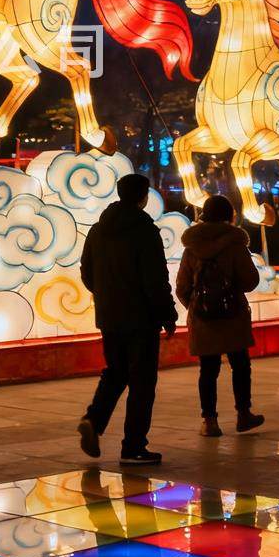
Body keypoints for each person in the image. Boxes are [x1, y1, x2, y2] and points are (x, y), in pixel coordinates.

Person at [77, 172, 178, 465]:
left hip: (109, 316)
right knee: (142, 382)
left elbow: (87, 271)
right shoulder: (145, 230)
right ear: (143, 197)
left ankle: (94, 421)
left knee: (116, 371)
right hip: (141, 318)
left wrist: (106, 295)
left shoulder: (98, 230)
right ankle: (133, 446)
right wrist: (167, 313)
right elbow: (155, 279)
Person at [175, 195, 264, 437]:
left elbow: (182, 287)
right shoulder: (235, 245)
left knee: (208, 369)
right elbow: (250, 281)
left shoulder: (192, 248)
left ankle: (209, 421)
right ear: (229, 216)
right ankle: (243, 414)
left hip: (203, 320)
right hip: (233, 315)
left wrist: (197, 306)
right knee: (240, 365)